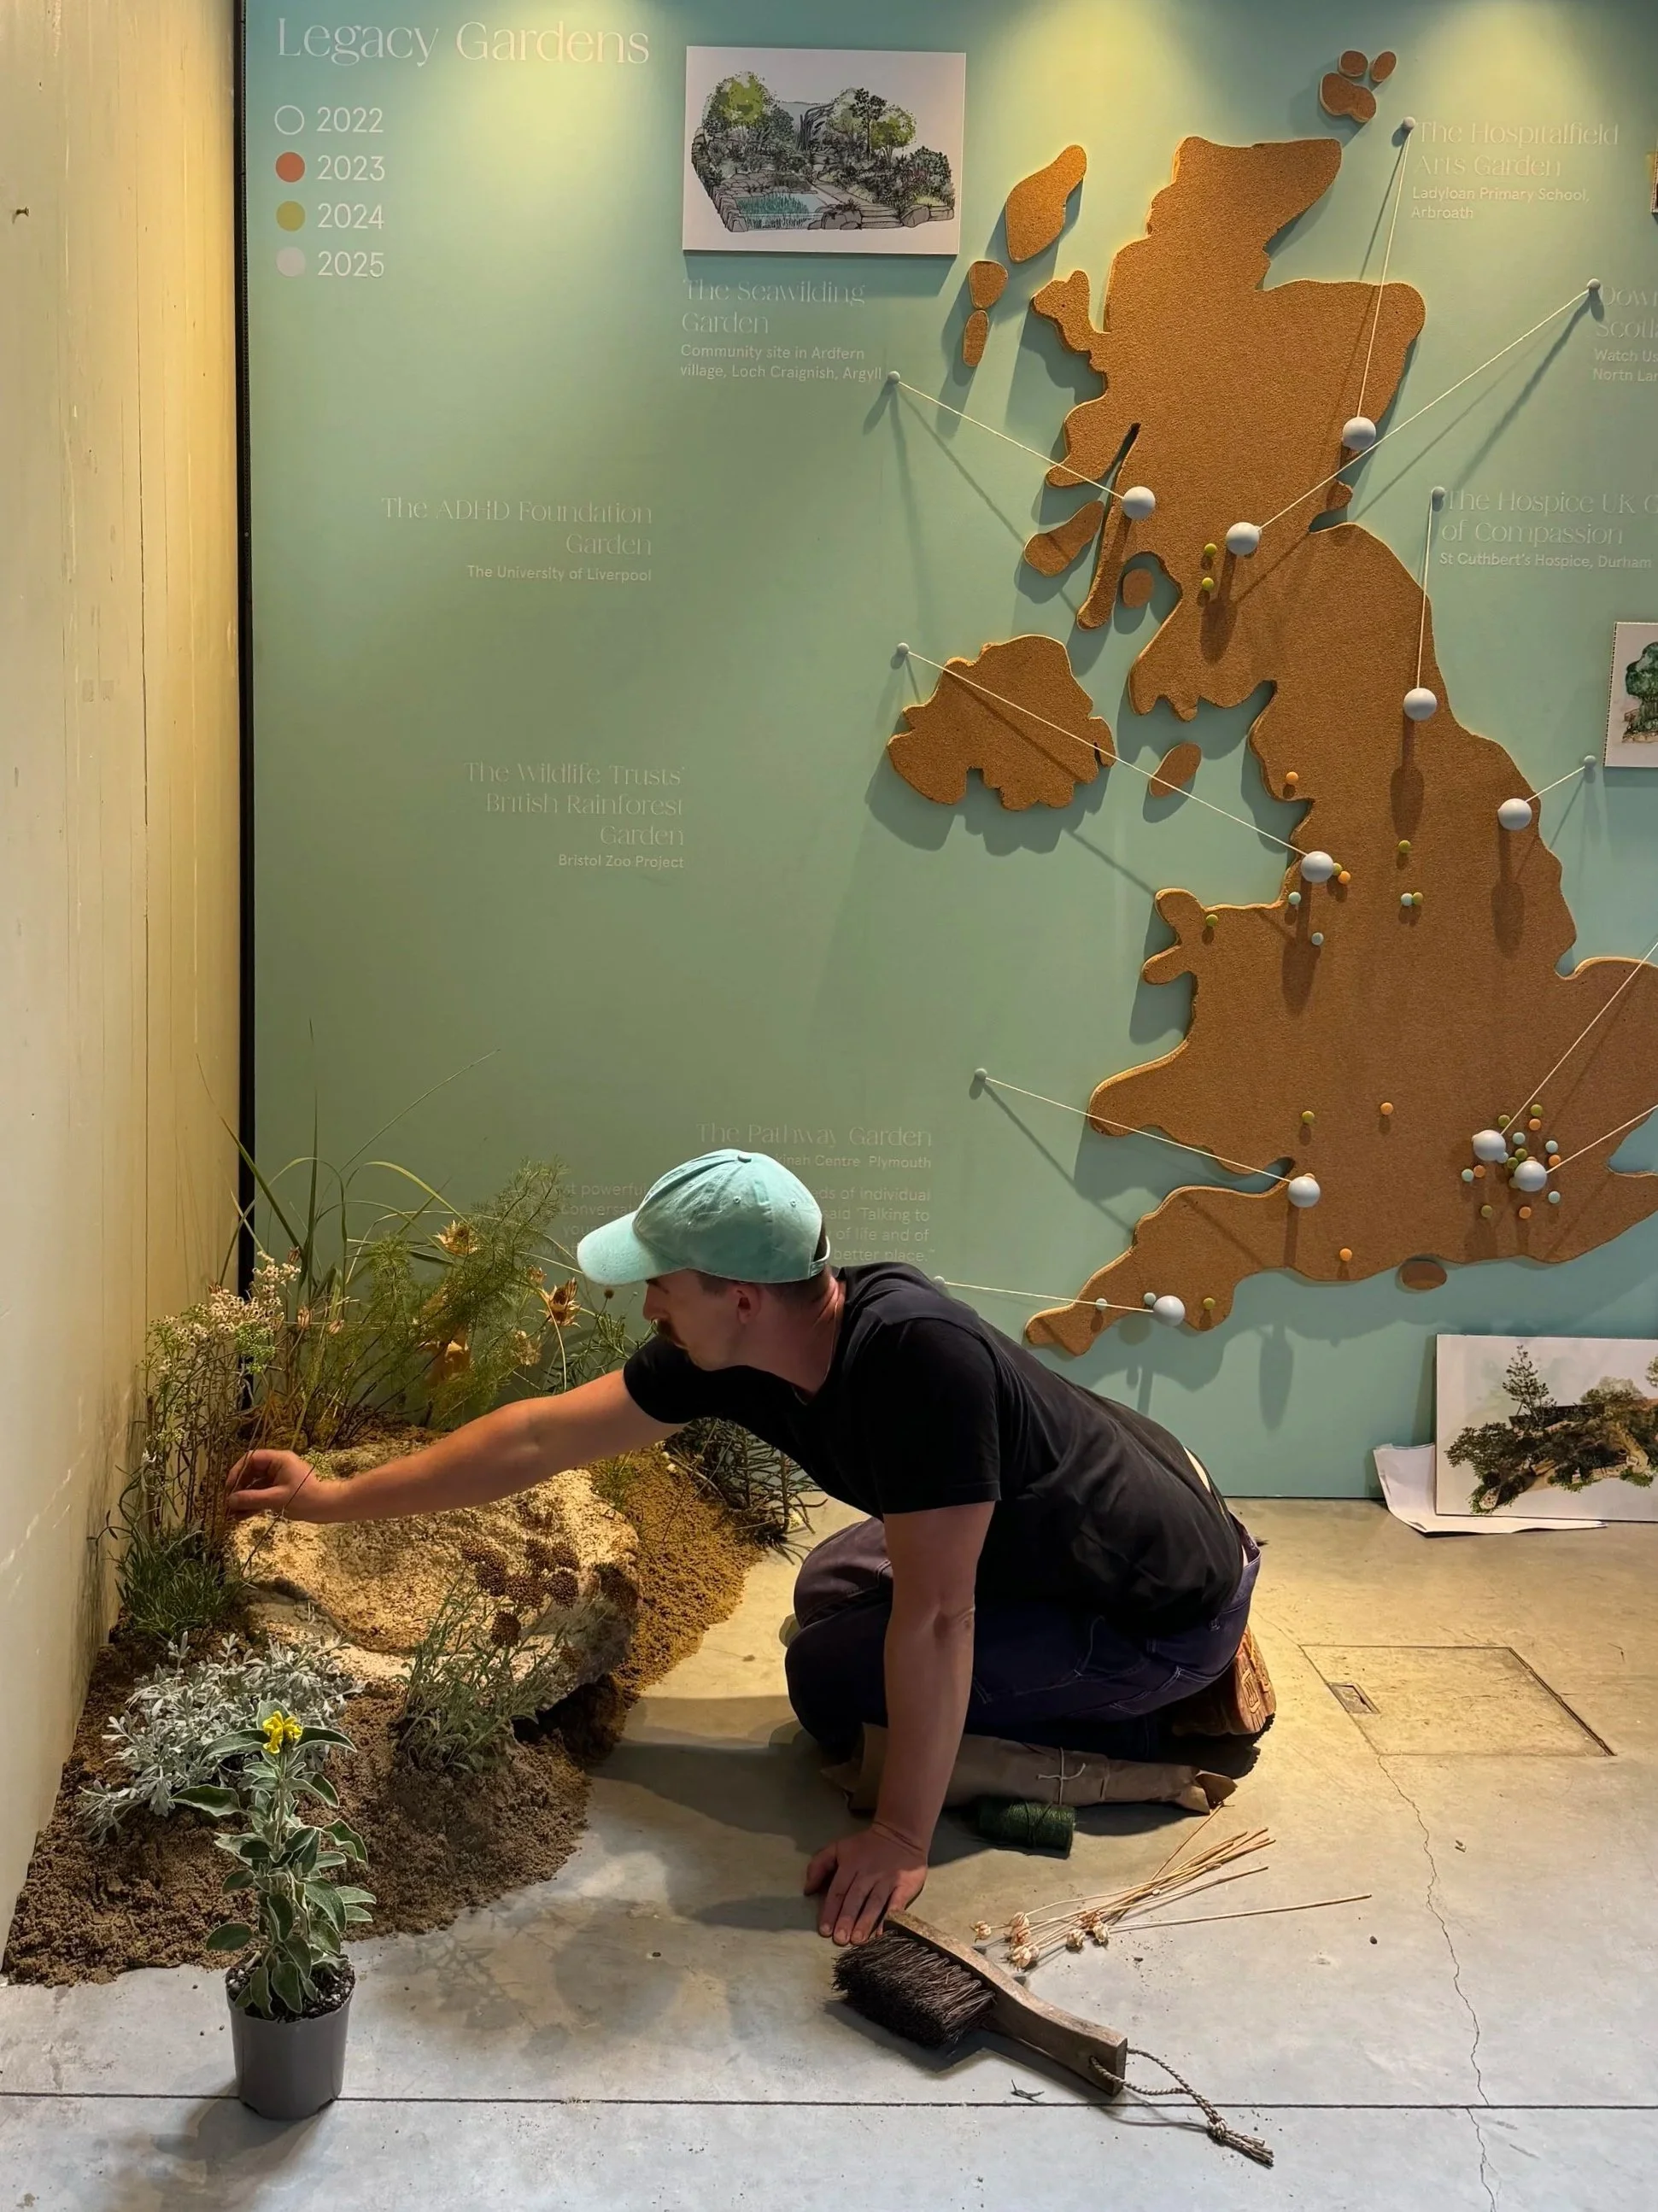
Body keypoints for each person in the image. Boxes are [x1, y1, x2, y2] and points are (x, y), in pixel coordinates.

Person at [228, 1149, 1266, 1947]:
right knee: (829, 1584)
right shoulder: (742, 1348)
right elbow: (542, 1435)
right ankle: (1047, 1689)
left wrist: (903, 1837)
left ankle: (1156, 1718)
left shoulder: (916, 1363)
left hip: (1158, 1609)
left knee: (829, 1677)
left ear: (739, 1296)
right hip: (1077, 1535)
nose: (646, 1308)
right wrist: (332, 1499)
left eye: (660, 1286)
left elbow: (943, 1616)